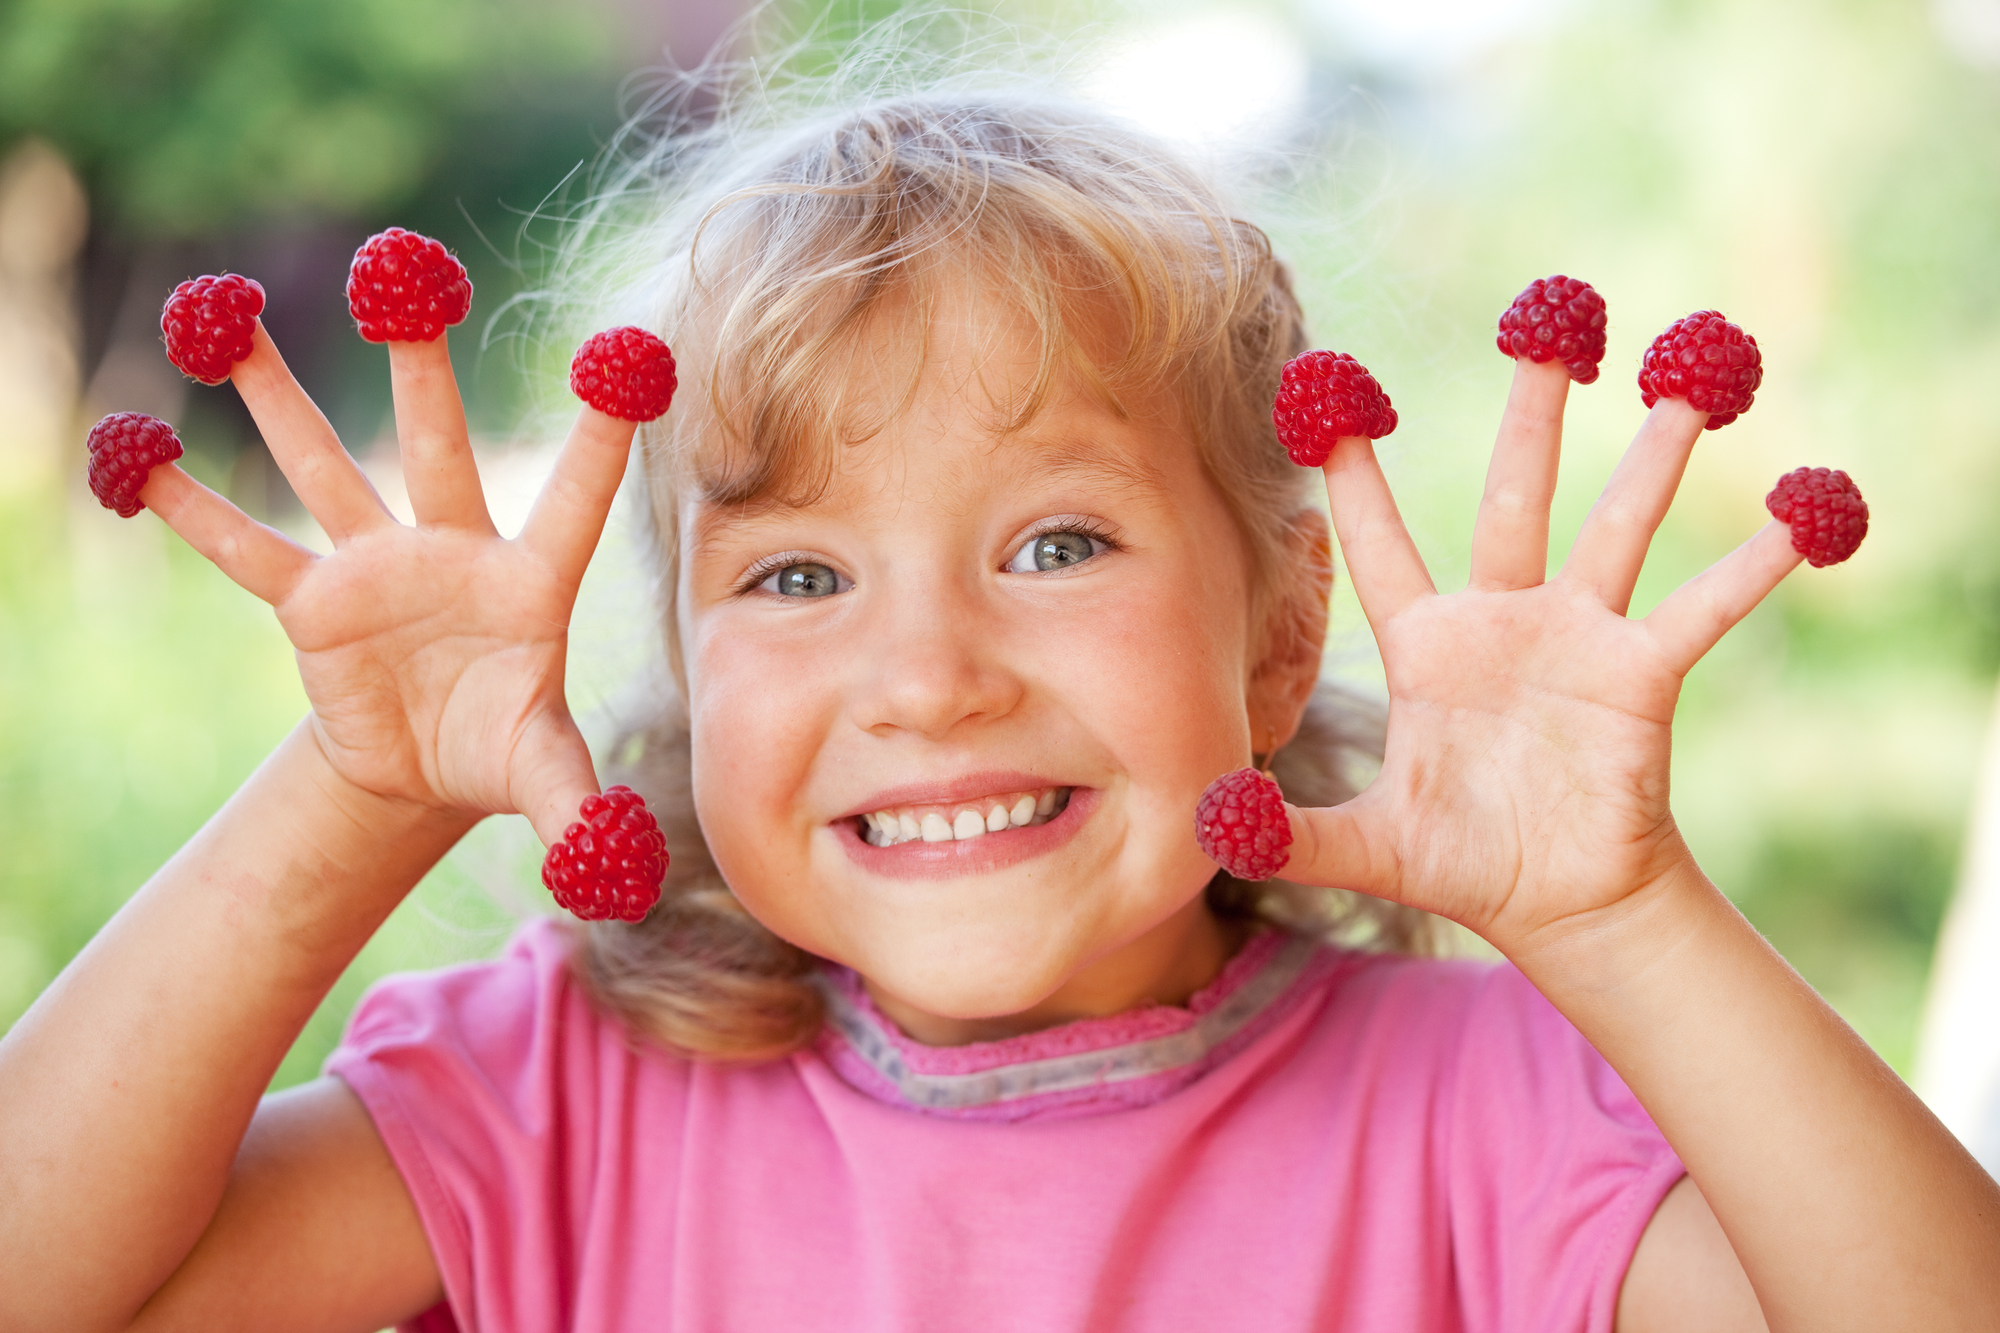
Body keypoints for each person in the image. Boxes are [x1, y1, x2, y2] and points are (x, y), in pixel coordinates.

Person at [3, 72, 1997, 1333]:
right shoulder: (556, 1101)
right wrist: (349, 801)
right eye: (795, 575)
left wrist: (1625, 919)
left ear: (1282, 633)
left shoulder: (1484, 1112)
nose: (930, 675)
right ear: (687, 687)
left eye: (1056, 544)